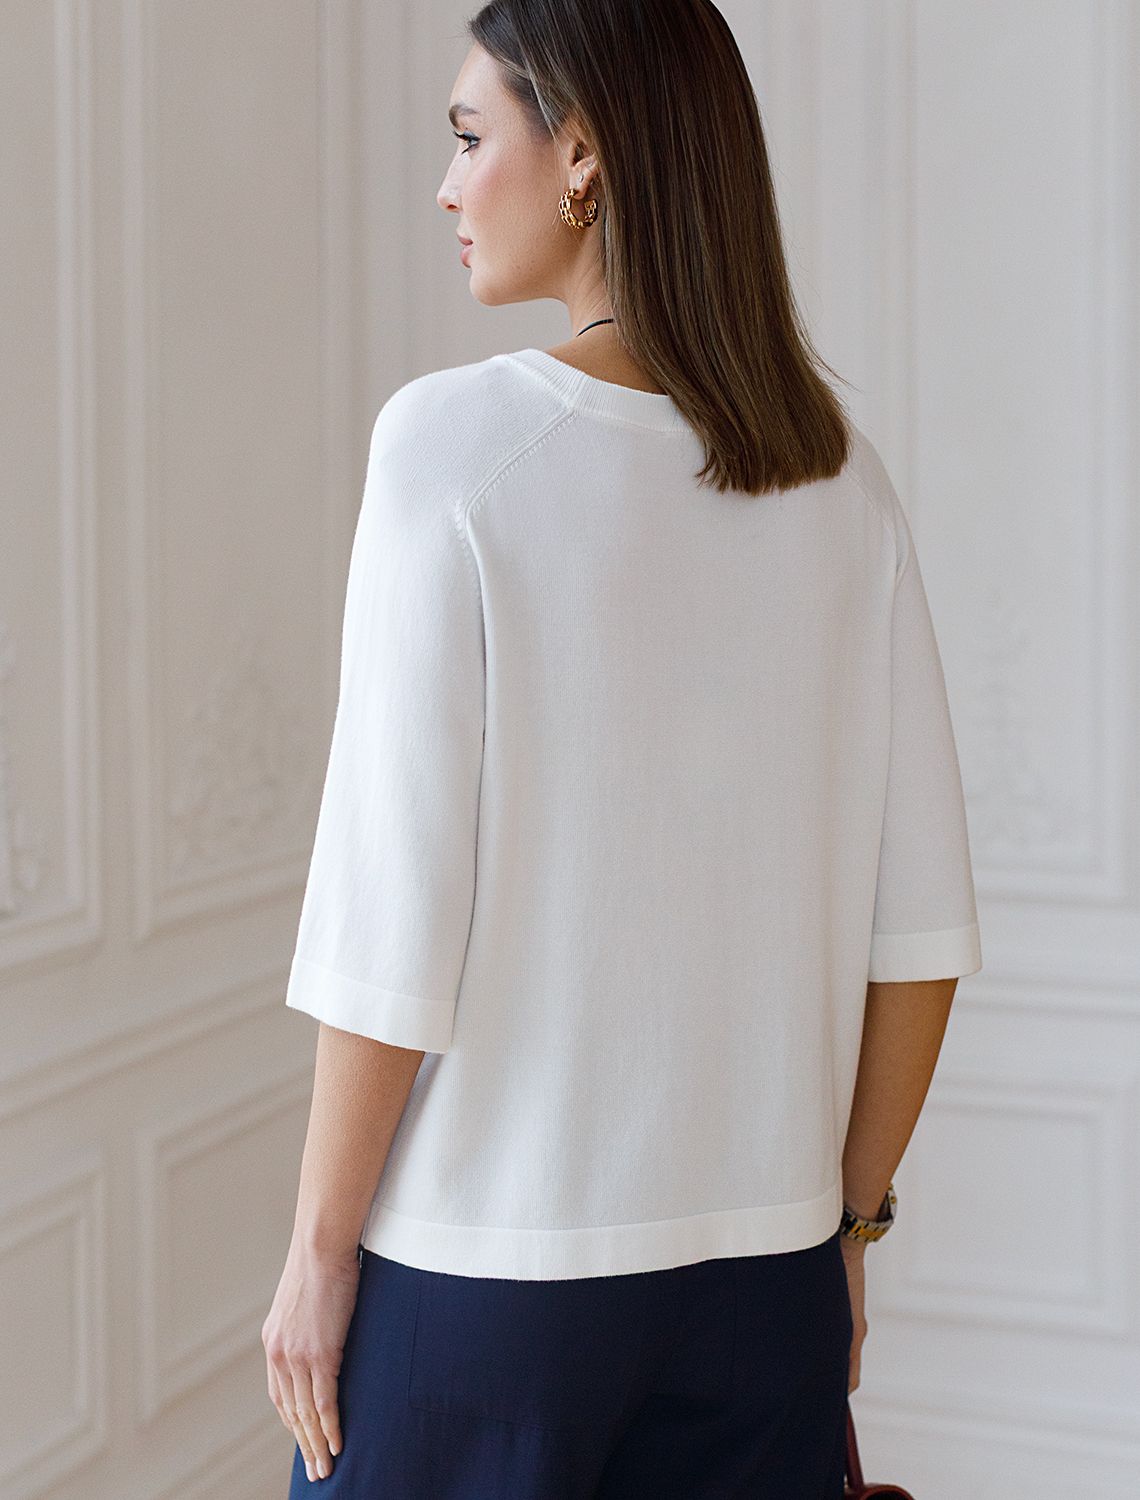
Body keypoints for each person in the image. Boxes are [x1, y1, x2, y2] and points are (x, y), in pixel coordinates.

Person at [261, 1, 982, 1494]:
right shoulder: (840, 482)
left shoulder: (454, 448)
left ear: (582, 150)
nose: (448, 187)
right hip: (764, 1290)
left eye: (471, 137)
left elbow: (393, 917)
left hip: (485, 1286)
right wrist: (845, 1233)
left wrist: (320, 1253)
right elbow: (918, 940)